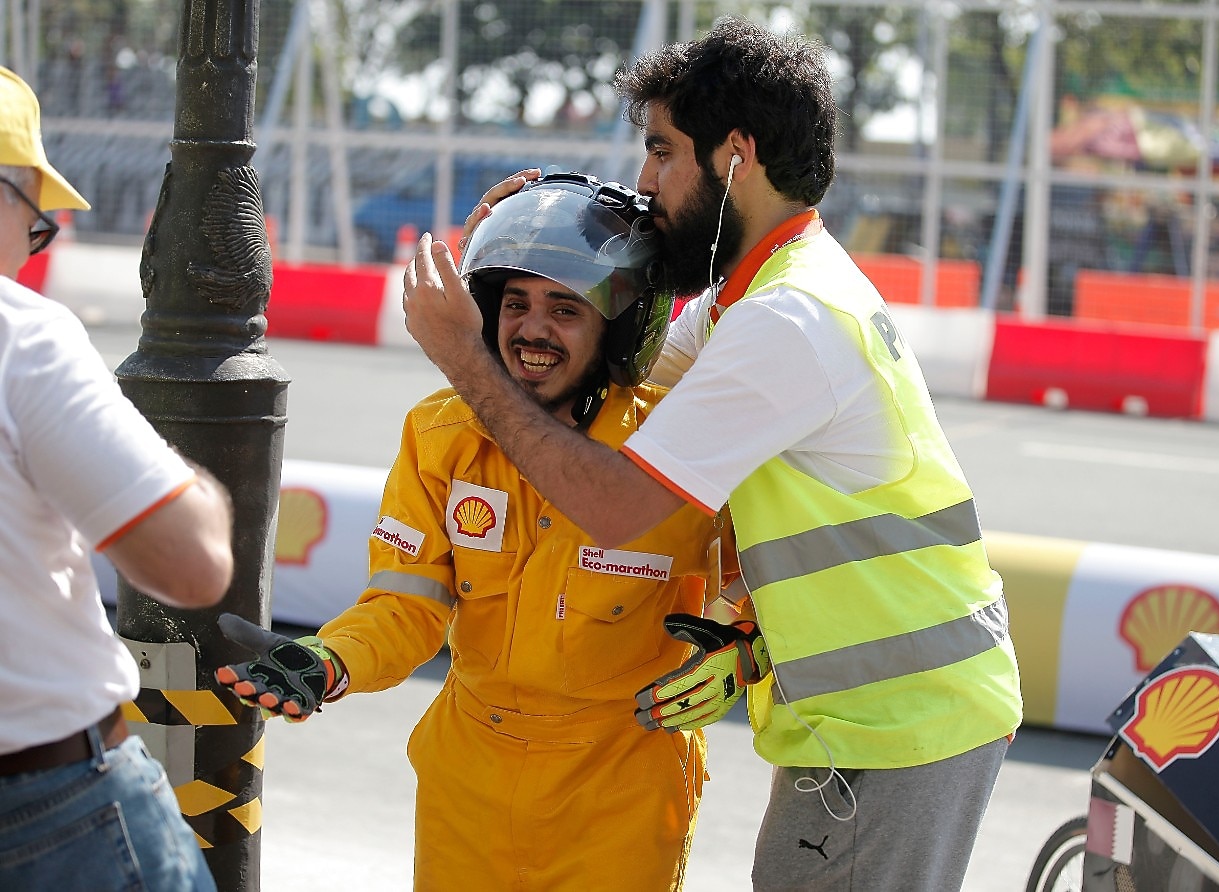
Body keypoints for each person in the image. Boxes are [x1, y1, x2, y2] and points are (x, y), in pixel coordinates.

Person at [401, 20, 1023, 892]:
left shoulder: (786, 321)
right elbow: (592, 356)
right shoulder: (762, 295)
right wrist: (508, 257)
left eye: (661, 151)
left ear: (735, 155)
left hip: (895, 720)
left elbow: (614, 503)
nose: (645, 182)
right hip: (879, 713)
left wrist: (464, 358)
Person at [216, 173, 731, 891]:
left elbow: (750, 587)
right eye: (514, 303)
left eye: (565, 308)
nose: (532, 329)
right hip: (469, 780)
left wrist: (744, 652)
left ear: (619, 326)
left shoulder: (677, 444)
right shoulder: (439, 433)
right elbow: (403, 606)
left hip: (622, 788)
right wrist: (328, 660)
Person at [0, 66, 235, 890]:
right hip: (49, 809)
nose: (31, 254)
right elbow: (191, 563)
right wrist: (190, 482)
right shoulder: (19, 337)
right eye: (37, 226)